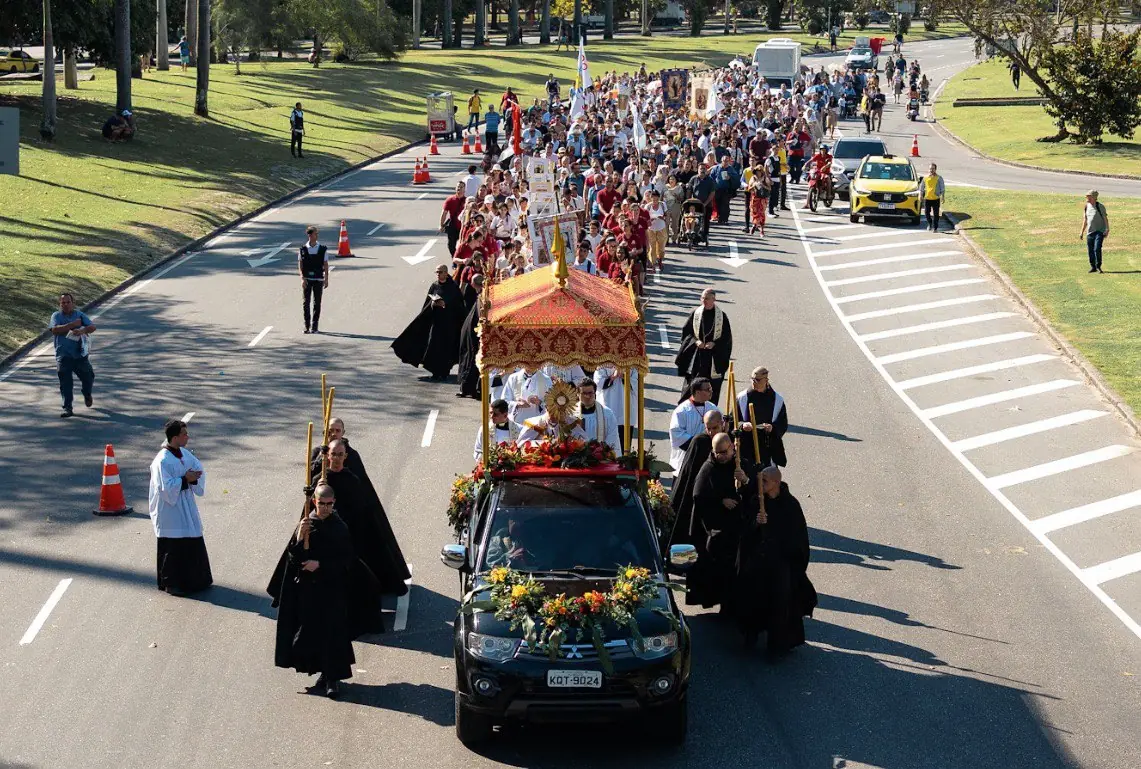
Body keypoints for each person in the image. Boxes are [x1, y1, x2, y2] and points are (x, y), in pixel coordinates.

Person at [273, 483, 356, 699]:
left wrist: (320, 565)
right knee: (312, 632)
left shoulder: (340, 528)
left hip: (332, 590)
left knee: (333, 634)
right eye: (322, 504)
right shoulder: (307, 525)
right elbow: (293, 559)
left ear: (334, 503)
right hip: (310, 591)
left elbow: (347, 562)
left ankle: (332, 678)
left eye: (329, 504)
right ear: (314, 502)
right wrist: (300, 539)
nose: (326, 508)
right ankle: (321, 672)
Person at [735, 466, 816, 653]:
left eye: (765, 481)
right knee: (754, 600)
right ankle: (750, 636)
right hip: (758, 562)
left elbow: (798, 538)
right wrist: (756, 523)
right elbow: (744, 530)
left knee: (779, 605)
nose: (760, 484)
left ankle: (777, 646)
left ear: (776, 483)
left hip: (780, 564)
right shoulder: (756, 501)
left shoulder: (790, 505)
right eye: (760, 480)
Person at [148, 419, 212, 596]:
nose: (188, 437)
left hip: (185, 505)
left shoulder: (184, 453)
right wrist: (185, 480)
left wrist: (195, 476)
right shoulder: (162, 461)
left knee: (192, 538)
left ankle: (196, 580)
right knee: (173, 545)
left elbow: (197, 467)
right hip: (170, 510)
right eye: (184, 434)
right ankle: (172, 583)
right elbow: (165, 488)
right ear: (175, 437)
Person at [687, 433, 751, 609]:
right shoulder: (709, 468)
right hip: (718, 531)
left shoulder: (741, 464)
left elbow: (754, 492)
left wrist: (745, 480)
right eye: (717, 453)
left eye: (724, 452)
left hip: (739, 527)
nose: (721, 457)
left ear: (732, 447)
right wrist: (720, 501)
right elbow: (699, 495)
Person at [391, 264, 467, 381]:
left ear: (446, 273)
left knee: (446, 348)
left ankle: (444, 371)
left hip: (449, 325)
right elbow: (427, 302)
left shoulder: (453, 288)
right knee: (433, 346)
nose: (438, 274)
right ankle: (435, 372)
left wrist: (446, 305)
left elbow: (459, 306)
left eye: (440, 272)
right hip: (435, 323)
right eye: (436, 272)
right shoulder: (434, 286)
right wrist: (433, 304)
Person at [669, 409, 726, 549]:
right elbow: (688, 476)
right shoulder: (700, 442)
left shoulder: (726, 442)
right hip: (697, 500)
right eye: (709, 428)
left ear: (722, 424)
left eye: (715, 428)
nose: (712, 432)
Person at [674, 289, 732, 405]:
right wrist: (696, 341)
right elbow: (687, 334)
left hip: (713, 358)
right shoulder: (696, 314)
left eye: (707, 298)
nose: (704, 301)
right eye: (702, 298)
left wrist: (714, 344)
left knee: (711, 390)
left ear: (713, 299)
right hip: (697, 357)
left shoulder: (721, 317)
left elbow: (727, 338)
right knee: (691, 386)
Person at [49, 292, 96, 418]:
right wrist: (72, 325)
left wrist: (82, 330)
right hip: (63, 356)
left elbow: (92, 327)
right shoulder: (56, 316)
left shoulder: (79, 315)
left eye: (68, 302)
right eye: (63, 302)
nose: (65, 304)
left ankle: (87, 393)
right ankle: (67, 408)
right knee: (65, 383)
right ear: (60, 304)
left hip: (79, 355)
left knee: (89, 377)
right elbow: (54, 330)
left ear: (73, 303)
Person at [732, 367, 789, 469]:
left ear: (766, 380)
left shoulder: (777, 400)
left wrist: (772, 428)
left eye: (757, 380)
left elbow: (782, 424)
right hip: (746, 445)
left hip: (766, 446)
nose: (753, 382)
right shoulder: (742, 398)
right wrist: (742, 425)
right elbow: (732, 421)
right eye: (752, 379)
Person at [668, 377, 720, 470]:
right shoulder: (681, 411)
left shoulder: (712, 408)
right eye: (708, 390)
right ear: (697, 392)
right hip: (686, 458)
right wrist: (698, 446)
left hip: (706, 458)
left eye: (711, 389)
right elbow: (677, 434)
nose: (711, 391)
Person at [593, 366, 639, 447]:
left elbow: (638, 384)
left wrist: (625, 376)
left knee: (624, 446)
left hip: (626, 410)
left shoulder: (632, 364)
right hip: (608, 406)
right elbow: (597, 383)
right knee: (606, 447)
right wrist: (613, 376)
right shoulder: (603, 363)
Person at [574, 378, 620, 452]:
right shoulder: (571, 414)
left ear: (595, 393)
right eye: (584, 393)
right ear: (578, 394)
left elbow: (612, 439)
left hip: (600, 458)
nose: (587, 396)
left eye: (590, 393)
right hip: (576, 459)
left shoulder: (607, 414)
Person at [456, 275, 484, 399]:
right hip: (470, 336)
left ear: (473, 284)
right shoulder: (480, 296)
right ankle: (467, 388)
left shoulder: (482, 298)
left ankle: (472, 389)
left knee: (473, 363)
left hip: (475, 337)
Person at [298, 225, 329, 334]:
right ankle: (307, 326)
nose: (316, 235)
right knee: (306, 303)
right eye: (315, 233)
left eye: (316, 233)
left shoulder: (322, 249)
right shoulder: (302, 250)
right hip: (307, 279)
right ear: (310, 235)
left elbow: (325, 264)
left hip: (318, 279)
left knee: (317, 303)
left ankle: (314, 326)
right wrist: (302, 278)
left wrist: (326, 279)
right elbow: (300, 265)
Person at [1079, 190, 1109, 274]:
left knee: (1097, 248)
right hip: (1090, 232)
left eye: (1089, 196)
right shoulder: (1086, 207)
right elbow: (1085, 220)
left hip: (1099, 231)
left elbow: (1105, 219)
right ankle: (1093, 267)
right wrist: (1081, 232)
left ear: (1094, 197)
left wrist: (1107, 229)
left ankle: (1098, 266)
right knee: (1090, 250)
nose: (1087, 197)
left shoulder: (1100, 206)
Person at [440, 181, 467, 256]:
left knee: (463, 245)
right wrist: (441, 225)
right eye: (458, 186)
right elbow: (444, 213)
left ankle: (461, 260)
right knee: (451, 245)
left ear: (465, 189)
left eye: (461, 187)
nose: (459, 188)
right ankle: (455, 259)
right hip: (453, 225)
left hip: (463, 226)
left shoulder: (467, 201)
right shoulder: (450, 200)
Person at [922, 163, 946, 232]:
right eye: (930, 169)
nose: (931, 170)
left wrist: (943, 197)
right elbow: (921, 187)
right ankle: (929, 223)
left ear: (935, 169)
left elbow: (942, 188)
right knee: (926, 213)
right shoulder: (925, 178)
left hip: (936, 199)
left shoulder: (939, 178)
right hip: (927, 199)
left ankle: (935, 228)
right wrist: (920, 195)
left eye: (933, 169)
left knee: (936, 214)